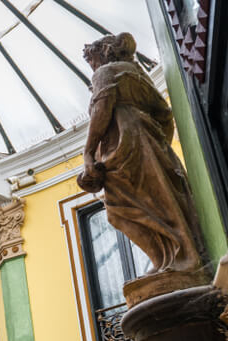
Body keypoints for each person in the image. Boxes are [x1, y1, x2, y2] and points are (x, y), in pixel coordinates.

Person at [77, 32, 204, 274]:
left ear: (102, 53)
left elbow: (102, 111)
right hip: (148, 142)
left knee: (118, 209)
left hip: (122, 144)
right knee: (164, 201)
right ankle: (178, 256)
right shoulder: (139, 76)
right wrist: (158, 148)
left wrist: (88, 153)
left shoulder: (104, 73)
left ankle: (170, 260)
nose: (91, 67)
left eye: (91, 60)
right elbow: (165, 115)